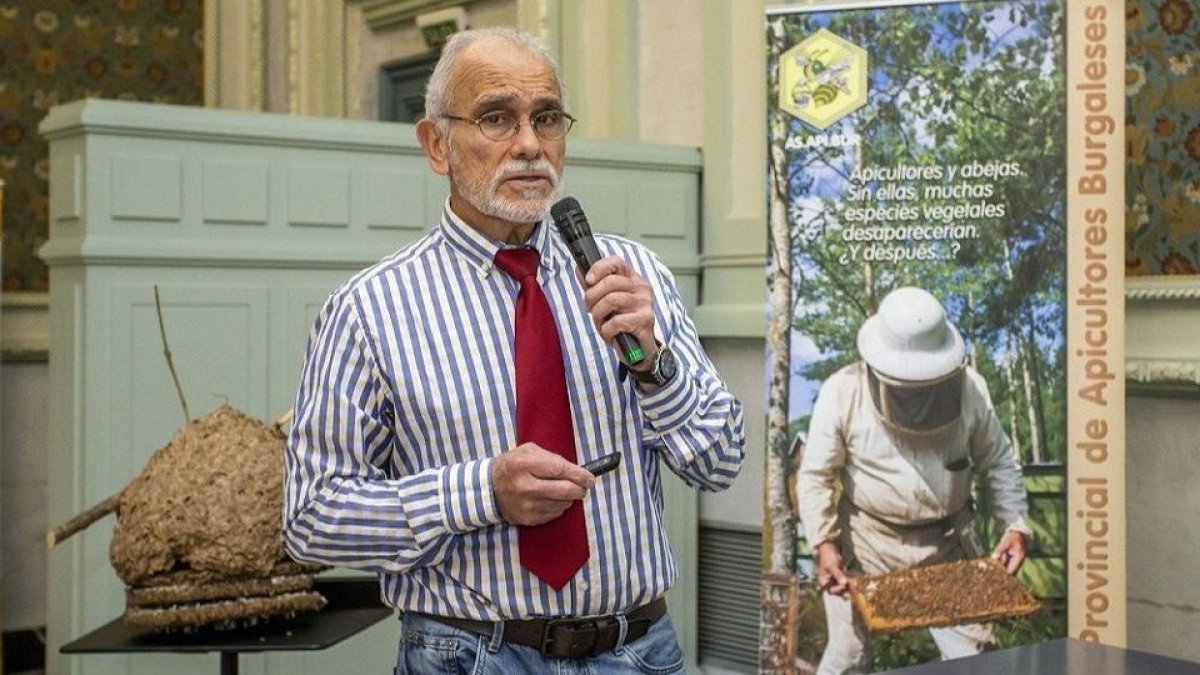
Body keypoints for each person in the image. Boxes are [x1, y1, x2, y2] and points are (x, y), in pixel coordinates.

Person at [282, 27, 745, 674]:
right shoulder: (369, 309)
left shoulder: (633, 276)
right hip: (469, 654)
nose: (530, 145)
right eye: (497, 118)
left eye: (547, 118)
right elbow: (313, 518)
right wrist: (479, 492)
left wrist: (655, 365)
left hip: (639, 651)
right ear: (436, 144)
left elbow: (721, 463)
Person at [796, 286, 1032, 675]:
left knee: (978, 660)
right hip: (865, 541)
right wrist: (824, 543)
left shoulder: (971, 390)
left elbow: (999, 462)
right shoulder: (843, 390)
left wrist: (1016, 527)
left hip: (946, 543)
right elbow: (816, 475)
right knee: (847, 658)